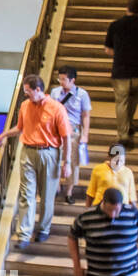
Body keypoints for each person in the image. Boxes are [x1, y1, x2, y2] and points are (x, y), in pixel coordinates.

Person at [0, 74, 72, 246]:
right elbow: (20, 127)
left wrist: (66, 163)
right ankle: (24, 234)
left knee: (46, 196)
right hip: (27, 151)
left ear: (38, 90)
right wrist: (4, 134)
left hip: (49, 153)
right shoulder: (24, 105)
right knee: (26, 194)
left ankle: (43, 229)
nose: (26, 94)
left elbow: (66, 137)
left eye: (28, 91)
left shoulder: (56, 108)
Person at [104, 0, 138, 149]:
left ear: (127, 7)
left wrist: (120, 55)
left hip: (120, 69)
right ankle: (129, 123)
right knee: (133, 98)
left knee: (121, 102)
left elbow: (108, 50)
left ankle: (123, 135)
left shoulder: (115, 26)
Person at [50, 65, 92, 203]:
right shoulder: (55, 92)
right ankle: (55, 188)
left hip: (73, 130)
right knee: (54, 160)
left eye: (64, 79)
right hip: (56, 130)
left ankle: (69, 192)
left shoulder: (82, 94)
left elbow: (86, 115)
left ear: (72, 80)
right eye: (60, 79)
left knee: (73, 162)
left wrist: (85, 134)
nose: (61, 82)